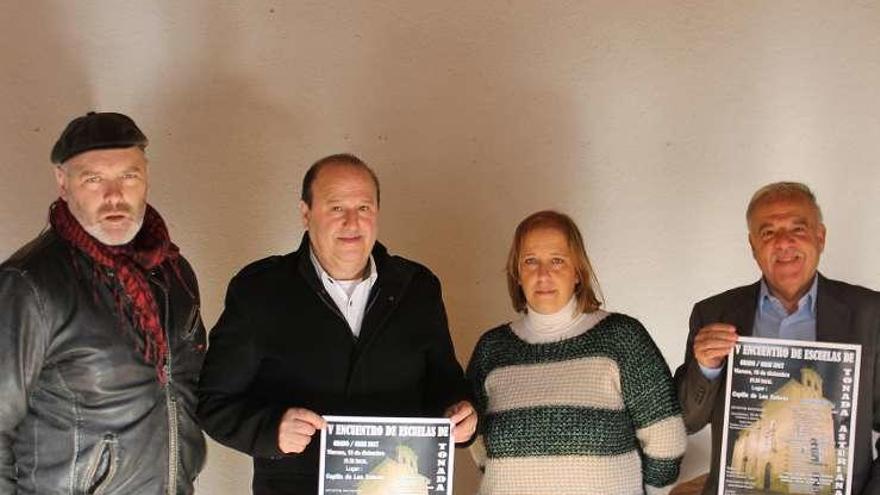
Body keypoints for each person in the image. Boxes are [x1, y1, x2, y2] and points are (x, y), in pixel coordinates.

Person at [197, 153, 476, 494]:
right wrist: (271, 431)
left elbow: (445, 385)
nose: (352, 222)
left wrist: (463, 420)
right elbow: (214, 403)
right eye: (336, 208)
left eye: (364, 208)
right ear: (306, 214)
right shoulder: (260, 291)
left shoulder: (417, 288)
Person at [0, 112, 207, 494]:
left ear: (145, 177)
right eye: (93, 179)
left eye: (128, 176)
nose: (114, 196)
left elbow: (188, 391)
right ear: (63, 183)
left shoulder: (173, 274)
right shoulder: (31, 285)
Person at [675, 181, 880, 495]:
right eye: (768, 232)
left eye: (798, 228)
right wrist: (706, 369)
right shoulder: (714, 313)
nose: (784, 242)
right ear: (753, 246)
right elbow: (684, 422)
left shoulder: (870, 315)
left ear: (820, 237)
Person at [467, 210, 686, 495]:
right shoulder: (492, 349)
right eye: (530, 261)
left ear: (578, 272)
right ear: (517, 274)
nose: (543, 274)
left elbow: (666, 440)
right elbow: (478, 444)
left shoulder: (621, 338)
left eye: (557, 261)